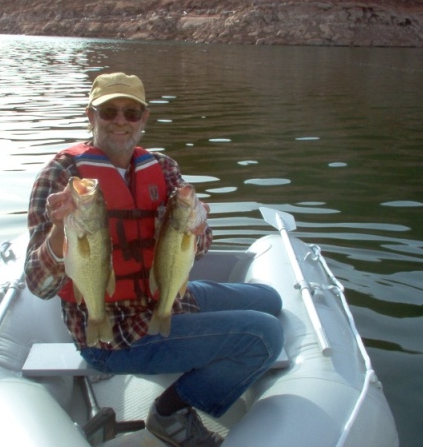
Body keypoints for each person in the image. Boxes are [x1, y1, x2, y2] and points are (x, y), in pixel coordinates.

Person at [24, 72, 284, 447]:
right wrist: (59, 232)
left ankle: (194, 342)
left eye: (131, 112)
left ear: (144, 119)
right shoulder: (61, 176)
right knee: (264, 334)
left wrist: (197, 225)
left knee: (270, 300)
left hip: (168, 298)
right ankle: (170, 413)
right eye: (108, 111)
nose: (120, 121)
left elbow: (200, 245)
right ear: (90, 116)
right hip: (113, 333)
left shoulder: (162, 168)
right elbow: (37, 283)